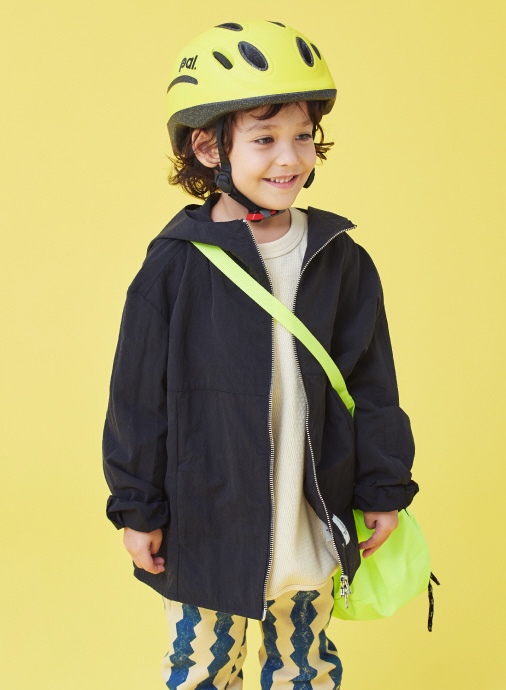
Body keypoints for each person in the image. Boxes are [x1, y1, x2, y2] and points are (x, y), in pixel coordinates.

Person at [102, 19, 418, 689]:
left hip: (309, 517)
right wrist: (137, 509)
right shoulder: (173, 267)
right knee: (201, 667)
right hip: (206, 523)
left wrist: (383, 487)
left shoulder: (341, 260)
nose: (290, 158)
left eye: (303, 135)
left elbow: (371, 384)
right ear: (207, 147)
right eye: (265, 138)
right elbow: (137, 401)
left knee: (305, 666)